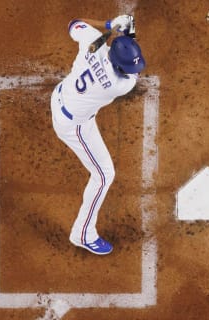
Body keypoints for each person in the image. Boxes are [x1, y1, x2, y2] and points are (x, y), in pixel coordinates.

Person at [50, 15, 145, 255]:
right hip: (73, 127)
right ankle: (83, 234)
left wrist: (109, 26)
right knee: (104, 175)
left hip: (60, 96)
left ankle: (84, 232)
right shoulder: (119, 85)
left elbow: (73, 23)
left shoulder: (94, 40)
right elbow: (132, 73)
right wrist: (127, 33)